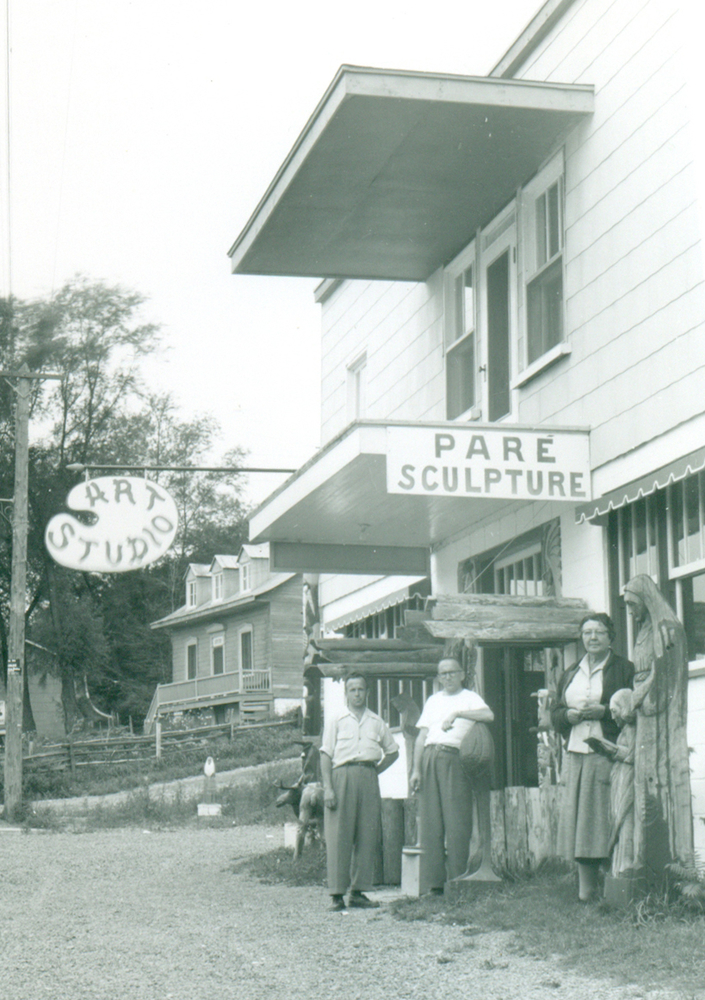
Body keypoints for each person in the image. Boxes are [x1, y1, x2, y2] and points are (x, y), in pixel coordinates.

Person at [551, 613, 634, 901]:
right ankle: (586, 891)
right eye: (587, 632)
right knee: (581, 821)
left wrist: (605, 712)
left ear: (611, 636)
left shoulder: (624, 669)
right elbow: (555, 713)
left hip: (608, 753)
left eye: (599, 632)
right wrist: (568, 715)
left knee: (605, 817)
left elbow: (634, 710)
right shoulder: (571, 671)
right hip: (576, 753)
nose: (593, 638)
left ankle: (615, 884)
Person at [623, 575, 693, 877]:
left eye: (632, 604)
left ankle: (668, 861)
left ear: (645, 599)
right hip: (643, 713)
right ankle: (645, 857)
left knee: (659, 779)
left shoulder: (667, 628)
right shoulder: (643, 632)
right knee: (643, 779)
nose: (629, 611)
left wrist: (638, 697)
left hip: (660, 714)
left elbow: (664, 671)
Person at [409, 657, 494, 893]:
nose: (447, 677)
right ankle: (434, 886)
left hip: (454, 759)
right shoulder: (433, 700)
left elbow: (489, 715)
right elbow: (421, 737)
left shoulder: (469, 698)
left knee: (457, 822)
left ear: (461, 675)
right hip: (429, 757)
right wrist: (416, 770)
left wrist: (458, 713)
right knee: (430, 823)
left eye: (451, 672)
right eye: (442, 673)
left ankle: (457, 882)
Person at [320, 672, 399, 912]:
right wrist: (328, 788)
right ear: (346, 693)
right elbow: (325, 754)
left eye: (361, 689)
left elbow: (393, 752)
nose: (357, 694)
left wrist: (375, 770)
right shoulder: (336, 719)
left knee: (367, 834)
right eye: (352, 689)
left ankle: (358, 891)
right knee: (339, 835)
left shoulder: (377, 722)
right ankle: (336, 894)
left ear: (367, 692)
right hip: (341, 776)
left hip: (368, 776)